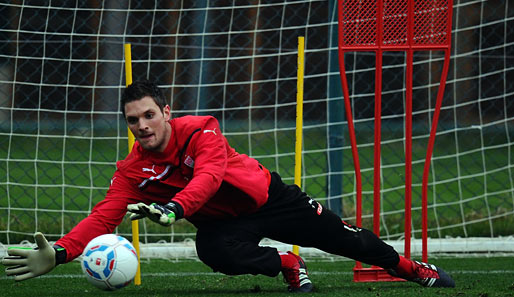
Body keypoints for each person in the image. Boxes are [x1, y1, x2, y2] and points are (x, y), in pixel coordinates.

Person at [2, 80, 455, 292]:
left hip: (270, 199)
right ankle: (284, 264)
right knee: (213, 252)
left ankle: (411, 270)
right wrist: (61, 252)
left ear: (166, 111)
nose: (141, 126)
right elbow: (104, 217)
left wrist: (175, 209)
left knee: (346, 240)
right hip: (223, 225)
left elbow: (208, 178)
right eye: (132, 120)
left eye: (149, 115)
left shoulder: (203, 131)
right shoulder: (131, 172)